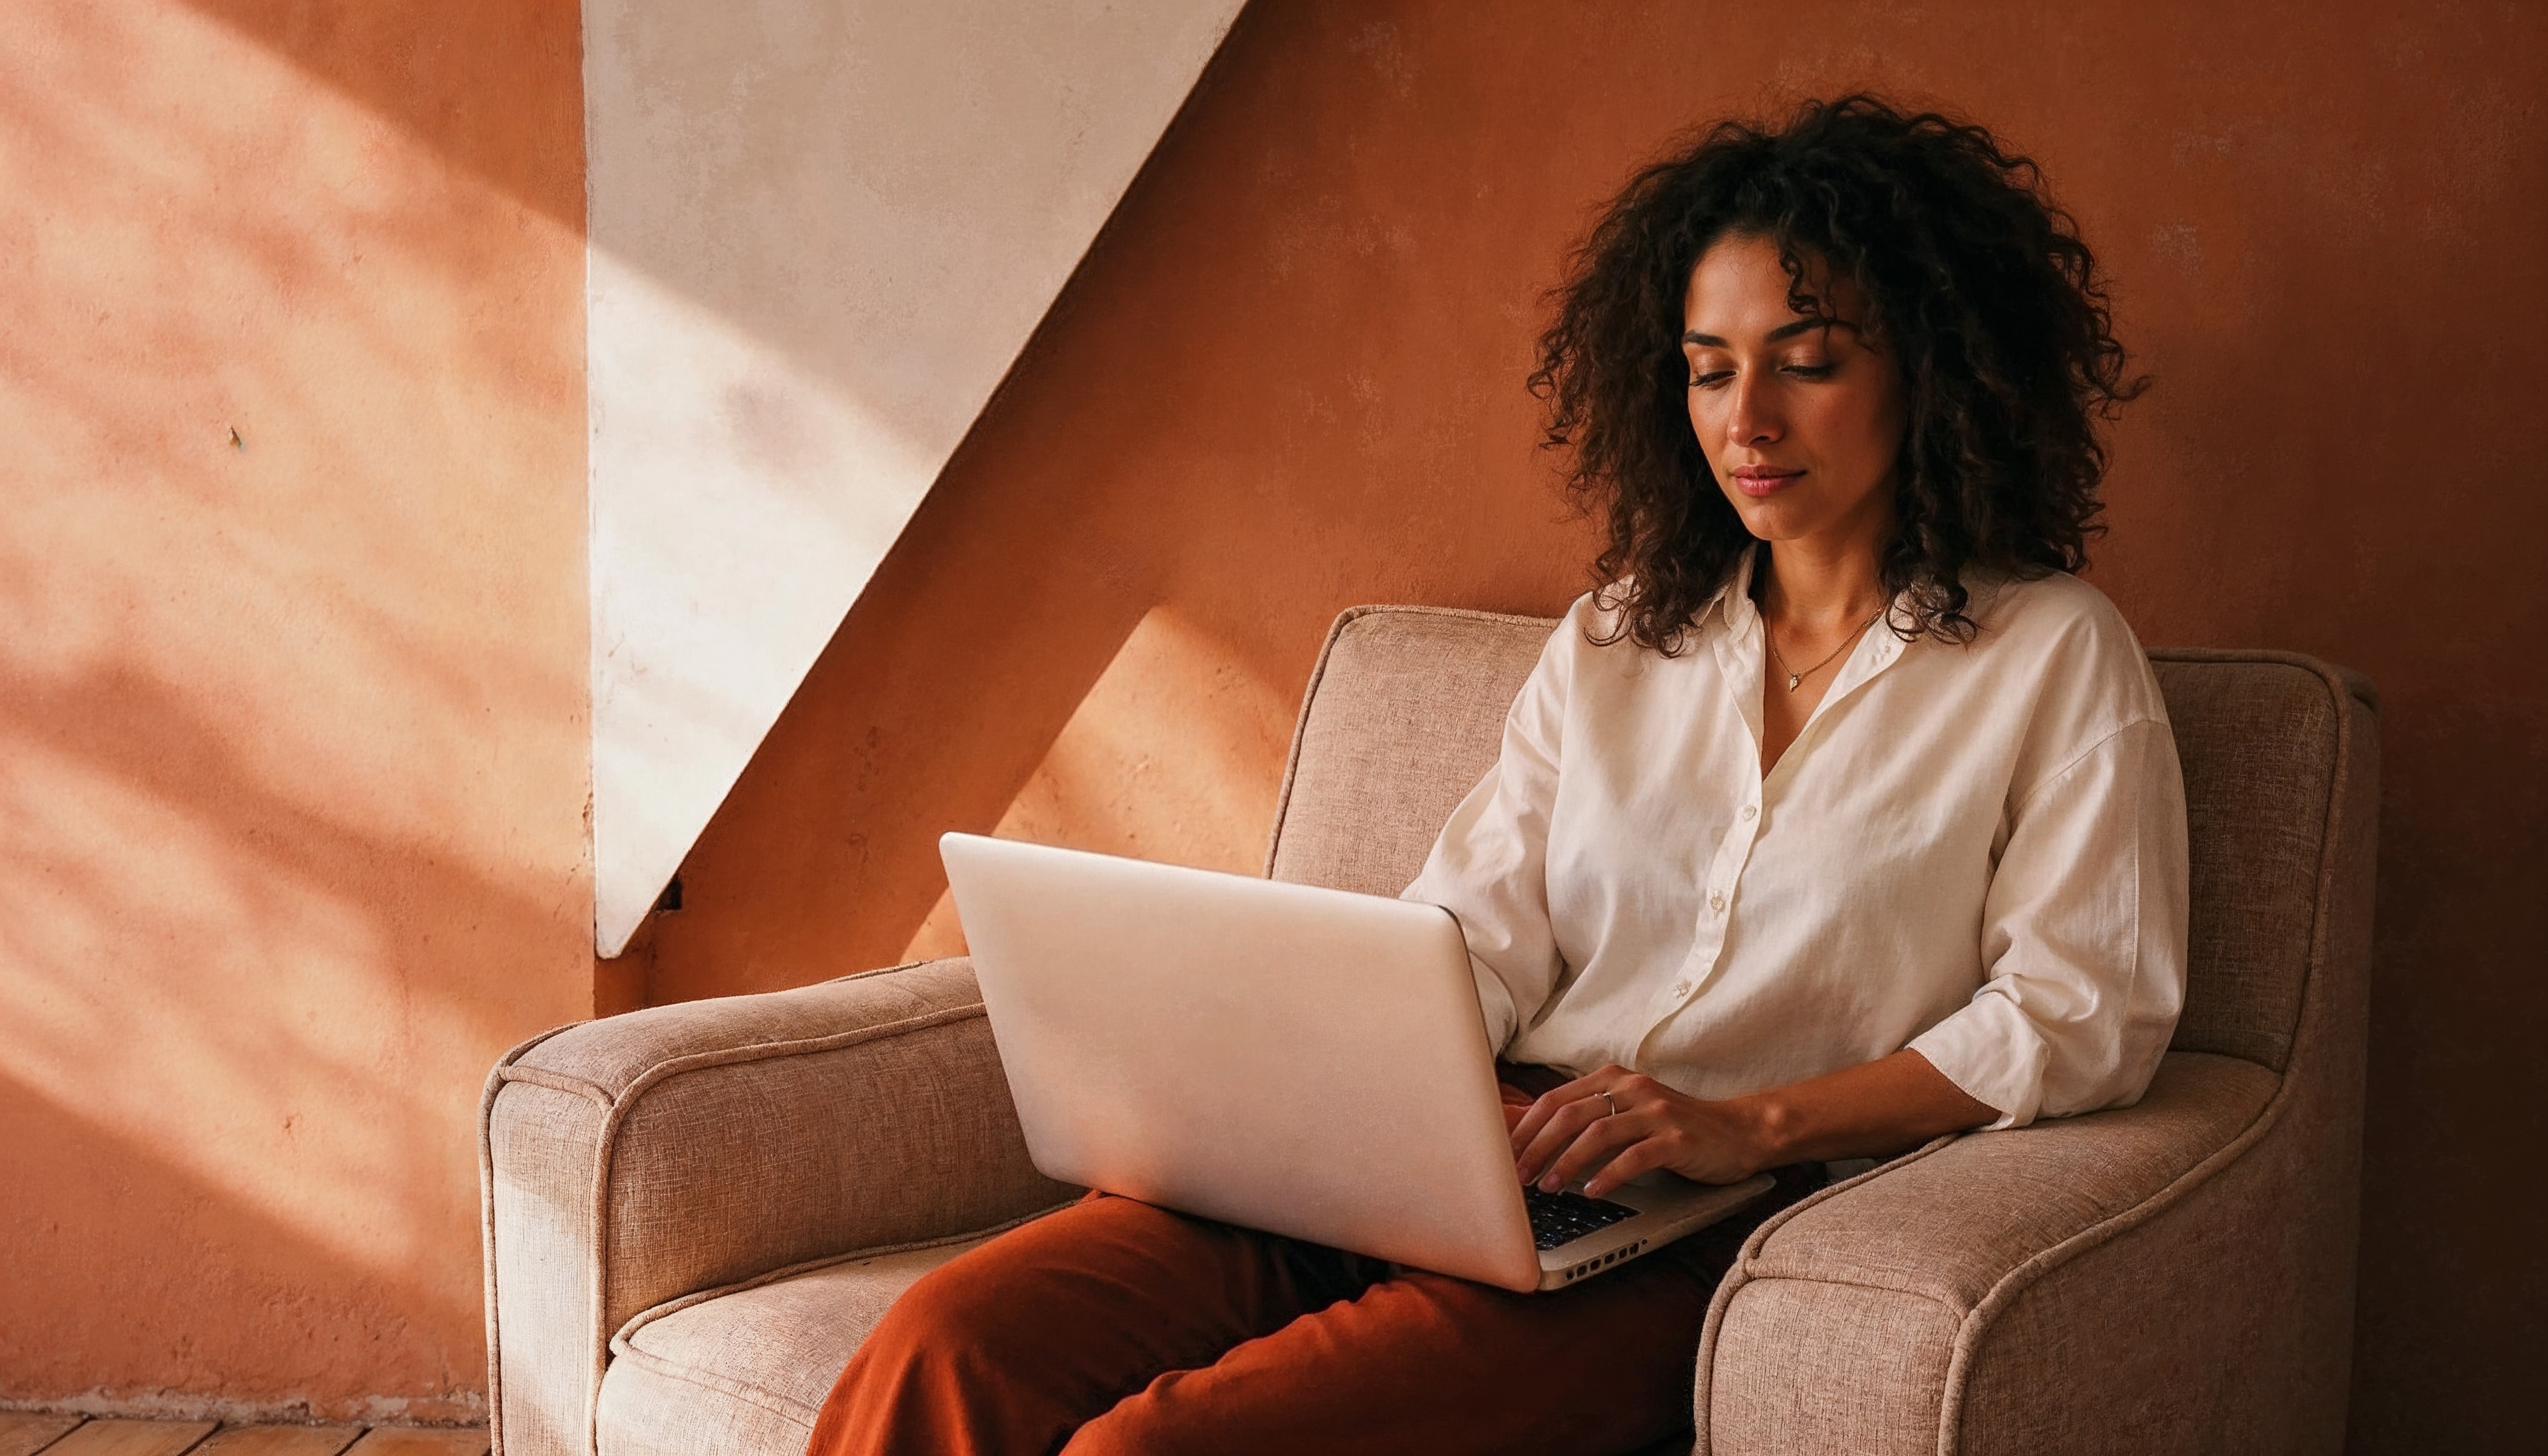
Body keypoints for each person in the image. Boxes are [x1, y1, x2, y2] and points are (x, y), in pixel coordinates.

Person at [807, 94, 2187, 1456]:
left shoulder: (2052, 656)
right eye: (1709, 368)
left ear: (1931, 369)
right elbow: (1473, 931)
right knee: (945, 1349)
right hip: (1463, 1151)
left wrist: (1738, 1123)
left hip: (1697, 1225)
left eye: (1807, 360)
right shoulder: (1620, 632)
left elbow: (2084, 1012)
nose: (1747, 418)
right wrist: (1324, 1089)